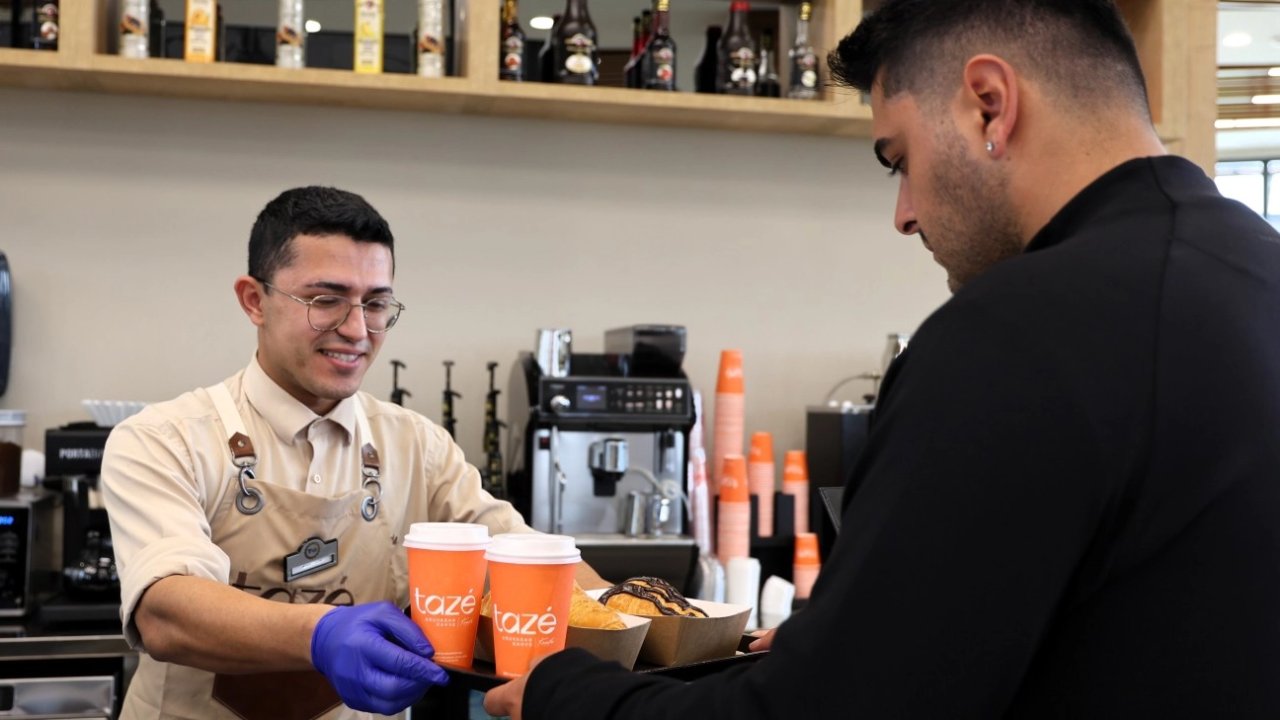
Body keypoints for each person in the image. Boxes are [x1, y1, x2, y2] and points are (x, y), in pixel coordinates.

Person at [484, 0, 1280, 717]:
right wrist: (850, 641)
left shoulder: (1011, 333)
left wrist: (571, 694)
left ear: (989, 106)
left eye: (897, 159)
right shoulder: (1259, 270)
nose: (904, 215)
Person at [101, 186, 608, 719]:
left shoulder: (417, 447)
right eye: (325, 300)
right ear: (254, 300)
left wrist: (636, 619)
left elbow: (531, 562)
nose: (356, 329)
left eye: (376, 303)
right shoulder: (164, 438)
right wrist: (321, 635)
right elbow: (166, 613)